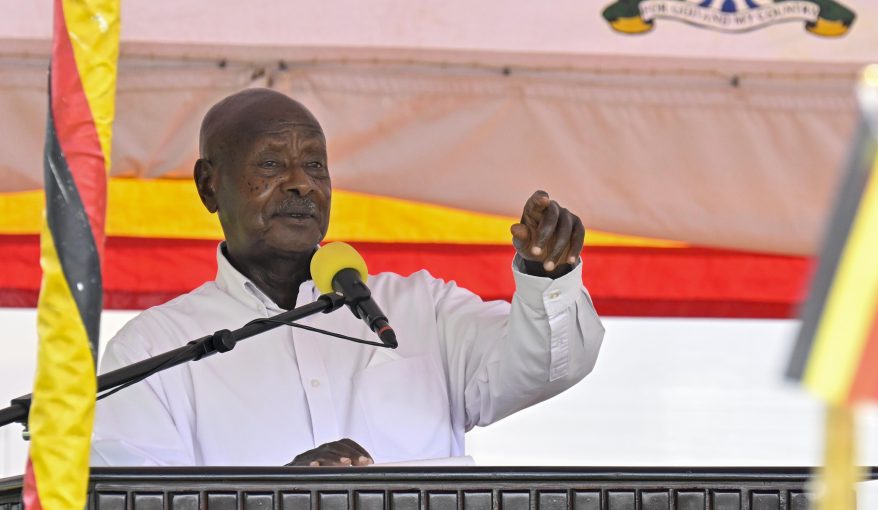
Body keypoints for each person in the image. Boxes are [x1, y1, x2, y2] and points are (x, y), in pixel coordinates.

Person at [91, 89, 604, 467]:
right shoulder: (152, 350)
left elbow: (547, 369)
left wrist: (545, 277)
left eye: (315, 165)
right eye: (271, 164)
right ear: (209, 186)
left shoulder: (422, 308)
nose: (301, 184)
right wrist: (275, 503)